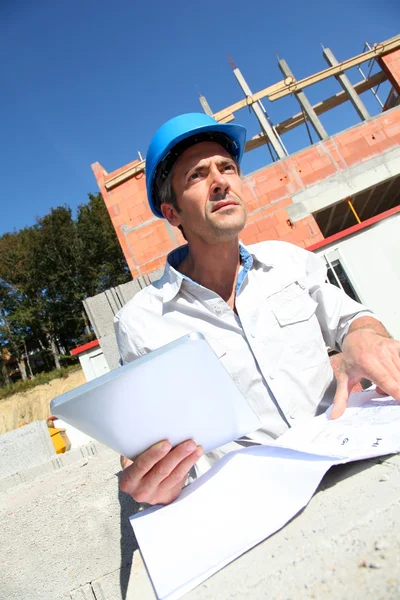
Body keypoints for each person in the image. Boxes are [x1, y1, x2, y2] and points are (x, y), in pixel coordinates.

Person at [115, 113, 400, 506]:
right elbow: (151, 442)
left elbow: (353, 320)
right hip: (255, 507)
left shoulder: (288, 261)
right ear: (172, 213)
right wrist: (154, 475)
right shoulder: (141, 324)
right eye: (197, 175)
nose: (220, 182)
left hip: (351, 458)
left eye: (227, 167)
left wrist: (366, 337)